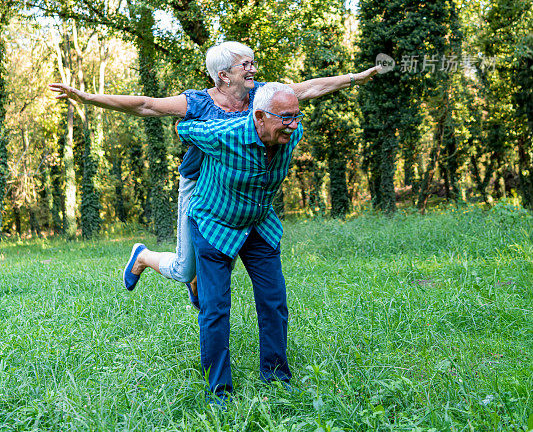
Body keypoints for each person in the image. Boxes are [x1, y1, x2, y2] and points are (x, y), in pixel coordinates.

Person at [50, 41, 378, 302]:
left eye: (252, 63)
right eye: (245, 65)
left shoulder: (262, 95)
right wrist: (86, 97)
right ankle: (143, 256)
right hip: (199, 185)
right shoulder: (198, 103)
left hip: (237, 188)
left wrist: (355, 78)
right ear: (224, 75)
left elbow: (309, 88)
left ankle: (200, 281)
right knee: (182, 268)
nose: (253, 68)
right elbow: (146, 105)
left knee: (230, 253)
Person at [175, 82, 304, 406]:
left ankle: (276, 378)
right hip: (214, 223)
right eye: (285, 118)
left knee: (274, 302)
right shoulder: (225, 134)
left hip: (258, 225)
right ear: (259, 116)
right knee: (215, 309)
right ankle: (219, 392)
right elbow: (185, 127)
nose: (293, 125)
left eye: (297, 117)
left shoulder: (292, 135)